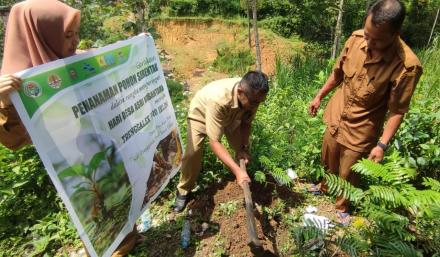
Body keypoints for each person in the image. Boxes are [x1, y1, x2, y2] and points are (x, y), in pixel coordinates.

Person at [0, 0, 140, 256]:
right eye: (67, 35)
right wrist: (5, 104)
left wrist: (138, 48)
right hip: (71, 161)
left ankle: (130, 235)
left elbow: (110, 61)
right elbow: (14, 141)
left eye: (76, 33)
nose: (75, 41)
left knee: (120, 192)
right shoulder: (14, 85)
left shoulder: (72, 61)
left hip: (99, 143)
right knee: (93, 214)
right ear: (43, 36)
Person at [309, 0, 422, 225]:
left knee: (349, 171)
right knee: (328, 154)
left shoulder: (407, 66)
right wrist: (320, 95)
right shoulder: (356, 38)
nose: (368, 42)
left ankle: (342, 205)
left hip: (362, 126)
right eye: (367, 34)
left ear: (395, 34)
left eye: (376, 39)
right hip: (338, 113)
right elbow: (338, 73)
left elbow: (397, 110)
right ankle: (323, 186)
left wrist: (382, 145)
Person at [173, 71, 269, 212]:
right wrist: (237, 170)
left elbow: (246, 123)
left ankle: (242, 177)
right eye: (254, 102)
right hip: (201, 113)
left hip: (231, 114)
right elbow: (215, 142)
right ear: (240, 92)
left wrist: (243, 147)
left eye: (260, 102)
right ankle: (183, 190)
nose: (257, 105)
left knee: (240, 150)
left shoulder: (253, 97)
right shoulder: (219, 99)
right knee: (193, 154)